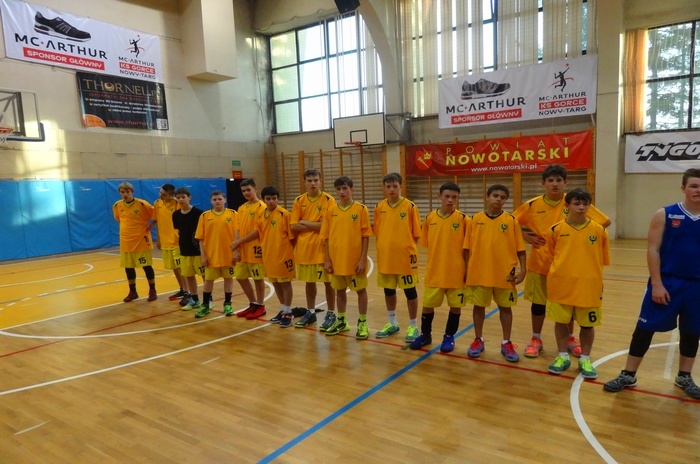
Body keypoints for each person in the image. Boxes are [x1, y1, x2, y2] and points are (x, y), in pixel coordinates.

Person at [604, 168, 700, 398]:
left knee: (692, 331)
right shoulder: (665, 214)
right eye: (694, 186)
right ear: (683, 188)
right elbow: (653, 249)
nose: (698, 190)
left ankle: (684, 376)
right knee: (644, 328)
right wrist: (657, 283)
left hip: (696, 286)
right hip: (667, 282)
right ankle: (628, 374)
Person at [513, 164, 611, 358]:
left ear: (565, 182)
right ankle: (536, 338)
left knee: (569, 303)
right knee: (538, 304)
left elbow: (604, 222)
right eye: (550, 180)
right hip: (541, 262)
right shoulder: (532, 205)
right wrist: (527, 237)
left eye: (559, 180)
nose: (555, 184)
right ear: (543, 183)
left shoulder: (573, 201)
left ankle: (570, 338)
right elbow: (511, 222)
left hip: (568, 265)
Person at [543, 189, 610, 379]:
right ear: (567, 206)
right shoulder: (555, 230)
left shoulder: (599, 230)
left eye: (585, 204)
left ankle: (585, 359)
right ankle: (562, 356)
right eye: (576, 203)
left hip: (589, 286)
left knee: (587, 325)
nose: (581, 207)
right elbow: (550, 257)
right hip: (561, 284)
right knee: (561, 322)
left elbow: (602, 259)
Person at [465, 184, 526, 363]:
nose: (499, 199)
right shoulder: (474, 219)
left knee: (505, 308)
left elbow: (521, 249)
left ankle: (506, 342)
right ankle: (478, 339)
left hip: (505, 273)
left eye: (503, 197)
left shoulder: (511, 220)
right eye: (495, 195)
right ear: (487, 197)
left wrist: (523, 270)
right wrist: (466, 270)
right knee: (478, 307)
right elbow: (466, 248)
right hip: (479, 272)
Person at [410, 182, 470, 352]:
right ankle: (425, 335)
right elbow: (428, 244)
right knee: (428, 305)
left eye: (454, 197)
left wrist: (467, 270)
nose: (450, 200)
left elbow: (468, 249)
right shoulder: (430, 218)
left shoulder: (464, 220)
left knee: (455, 307)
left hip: (456, 273)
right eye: (447, 196)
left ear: (458, 198)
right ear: (439, 197)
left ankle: (449, 337)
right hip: (435, 271)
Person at [232, 186, 296, 327]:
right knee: (276, 283)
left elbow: (293, 237)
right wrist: (239, 242)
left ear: (278, 199)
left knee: (285, 283)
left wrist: (288, 252)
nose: (271, 201)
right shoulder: (261, 215)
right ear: (264, 199)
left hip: (283, 255)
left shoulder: (284, 214)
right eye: (268, 198)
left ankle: (288, 312)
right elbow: (257, 232)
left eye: (274, 198)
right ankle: (283, 309)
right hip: (268, 255)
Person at [320, 176, 373, 340]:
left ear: (351, 189)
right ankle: (342, 320)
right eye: (338, 189)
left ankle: (362, 322)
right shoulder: (331, 211)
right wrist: (327, 259)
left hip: (355, 261)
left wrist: (362, 259)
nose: (342, 192)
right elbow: (326, 237)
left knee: (360, 291)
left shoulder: (361, 209)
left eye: (345, 188)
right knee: (339, 291)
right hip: (336, 260)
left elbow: (365, 236)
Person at [373, 172, 422, 342]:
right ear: (384, 188)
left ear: (401, 186)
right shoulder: (379, 207)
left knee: (410, 291)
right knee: (389, 290)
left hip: (405, 258)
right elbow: (378, 232)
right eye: (388, 186)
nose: (392, 189)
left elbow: (416, 234)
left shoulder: (410, 206)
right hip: (386, 257)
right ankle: (392, 323)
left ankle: (413, 325)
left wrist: (405, 248)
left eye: (395, 186)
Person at [290, 169, 336, 328]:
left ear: (321, 180)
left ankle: (331, 313)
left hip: (323, 249)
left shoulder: (329, 200)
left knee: (328, 283)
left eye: (315, 180)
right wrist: (315, 224)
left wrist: (304, 221)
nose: (313, 183)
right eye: (309, 180)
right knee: (309, 282)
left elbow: (326, 225)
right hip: (304, 250)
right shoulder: (298, 200)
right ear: (304, 182)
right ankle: (310, 312)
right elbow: (293, 225)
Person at [194, 190, 238, 318]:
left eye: (219, 199)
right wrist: (203, 255)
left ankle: (228, 304)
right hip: (211, 255)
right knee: (208, 280)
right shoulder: (205, 216)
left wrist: (236, 251)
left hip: (228, 254)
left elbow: (238, 234)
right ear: (211, 201)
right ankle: (205, 305)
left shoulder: (233, 214)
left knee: (228, 279)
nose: (217, 201)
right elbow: (200, 238)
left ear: (225, 200)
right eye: (214, 199)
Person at [112, 181, 158, 302]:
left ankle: (152, 290)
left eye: (127, 191)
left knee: (146, 266)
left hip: (141, 240)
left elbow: (156, 215)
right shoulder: (117, 205)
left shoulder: (142, 204)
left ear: (132, 192)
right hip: (126, 241)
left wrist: (151, 226)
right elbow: (119, 219)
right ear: (119, 193)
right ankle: (133, 292)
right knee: (128, 267)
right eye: (122, 192)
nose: (125, 194)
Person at [232, 179, 268, 320]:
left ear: (255, 189)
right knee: (240, 276)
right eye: (243, 191)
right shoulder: (241, 208)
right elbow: (237, 228)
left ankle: (261, 305)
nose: (246, 193)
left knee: (258, 278)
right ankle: (253, 303)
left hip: (256, 248)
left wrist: (239, 241)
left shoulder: (262, 207)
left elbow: (258, 231)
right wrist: (236, 246)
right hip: (242, 249)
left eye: (248, 190)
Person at [172, 187, 205, 311]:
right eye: (178, 197)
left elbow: (203, 232)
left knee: (205, 276)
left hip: (197, 250)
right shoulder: (175, 215)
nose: (181, 200)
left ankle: (208, 300)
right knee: (189, 276)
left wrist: (203, 250)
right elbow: (179, 230)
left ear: (189, 197)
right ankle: (195, 300)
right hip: (184, 250)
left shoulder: (199, 213)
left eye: (183, 197)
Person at [152, 183, 186, 301]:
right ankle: (182, 289)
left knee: (181, 267)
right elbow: (157, 221)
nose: (160, 195)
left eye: (164, 194)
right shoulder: (157, 203)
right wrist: (158, 239)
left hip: (176, 241)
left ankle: (188, 291)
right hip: (165, 241)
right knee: (174, 267)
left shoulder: (177, 203)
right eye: (160, 192)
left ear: (171, 195)